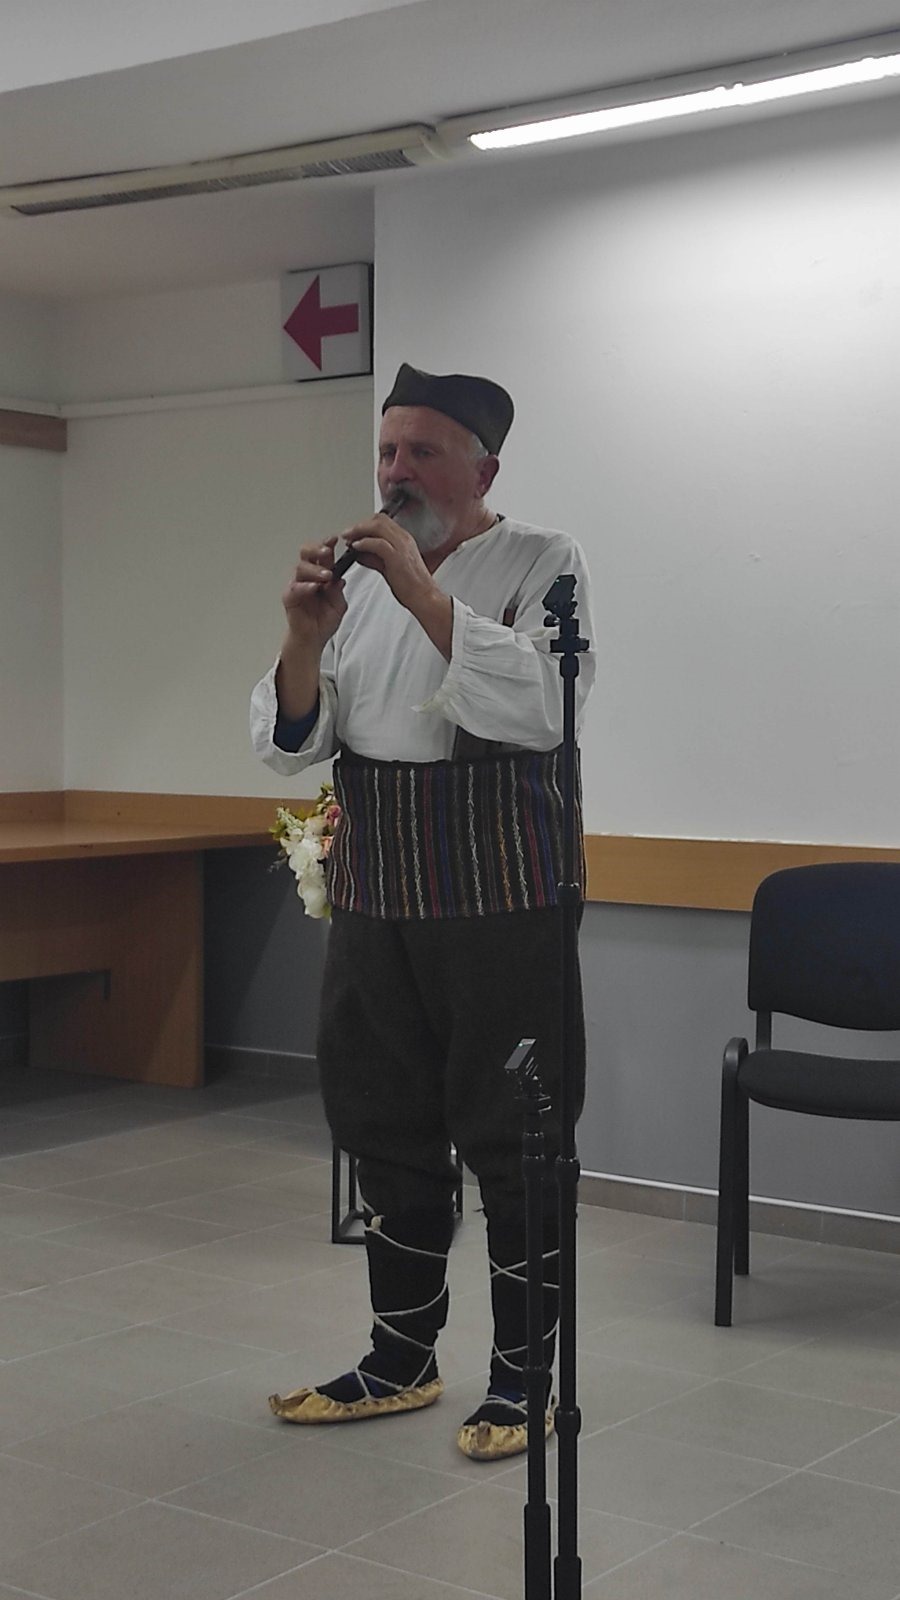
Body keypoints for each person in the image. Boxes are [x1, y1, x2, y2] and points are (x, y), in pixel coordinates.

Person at [250, 362, 595, 1461]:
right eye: (388, 452)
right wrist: (305, 636)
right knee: (383, 1121)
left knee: (516, 1133)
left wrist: (419, 591)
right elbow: (290, 741)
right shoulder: (350, 581)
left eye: (423, 453)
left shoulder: (543, 561)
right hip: (378, 894)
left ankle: (525, 1380)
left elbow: (542, 707)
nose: (396, 474)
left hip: (503, 896)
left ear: (482, 471)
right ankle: (401, 1357)